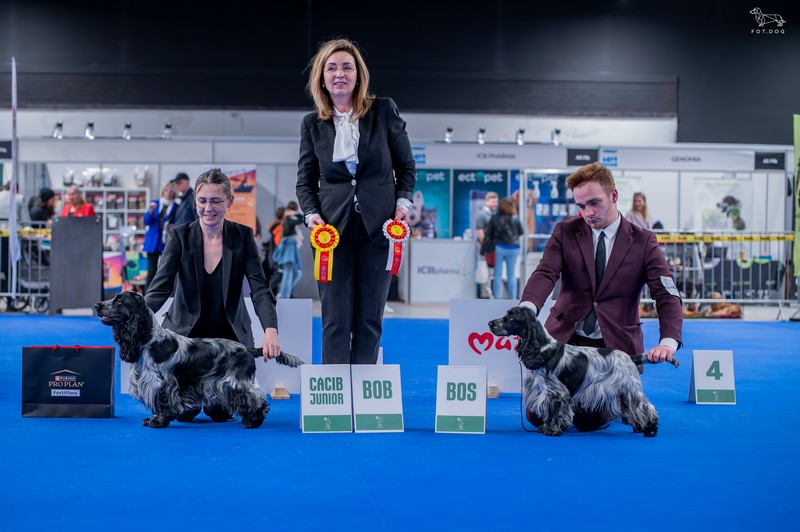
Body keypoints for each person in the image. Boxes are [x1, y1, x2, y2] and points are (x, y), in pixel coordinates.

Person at [519, 162, 683, 431]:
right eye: (581, 206)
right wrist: (527, 308)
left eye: (594, 203)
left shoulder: (644, 241)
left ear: (613, 196)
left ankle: (605, 406)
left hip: (612, 350)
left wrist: (668, 342)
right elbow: (545, 273)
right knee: (538, 416)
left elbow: (666, 294)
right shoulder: (564, 232)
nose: (588, 213)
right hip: (565, 344)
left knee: (587, 420)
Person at [295, 37, 416, 364]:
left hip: (380, 229)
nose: (340, 74)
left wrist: (403, 205)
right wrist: (311, 215)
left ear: (358, 74)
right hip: (331, 233)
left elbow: (406, 166)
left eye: (347, 67)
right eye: (331, 68)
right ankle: (335, 387)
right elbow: (305, 181)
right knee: (335, 319)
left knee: (369, 318)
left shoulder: (384, 110)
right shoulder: (311, 124)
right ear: (321, 77)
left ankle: (363, 388)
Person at [145, 168, 282, 422]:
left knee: (220, 413)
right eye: (202, 201)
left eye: (216, 201)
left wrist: (270, 330)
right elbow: (160, 286)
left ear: (230, 202)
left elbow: (260, 289)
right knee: (183, 414)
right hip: (185, 342)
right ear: (195, 201)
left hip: (227, 344)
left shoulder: (242, 236)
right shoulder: (179, 235)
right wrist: (139, 316)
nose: (208, 208)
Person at [484, 196, 524, 300]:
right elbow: (521, 232)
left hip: (499, 248)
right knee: (511, 275)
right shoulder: (515, 218)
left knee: (497, 274)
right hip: (513, 248)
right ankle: (512, 299)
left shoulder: (495, 218)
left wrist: (483, 250)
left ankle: (496, 298)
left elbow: (488, 235)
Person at [142, 182, 176, 291]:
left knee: (165, 270)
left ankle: (163, 293)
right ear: (163, 192)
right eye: (166, 190)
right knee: (151, 270)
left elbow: (177, 221)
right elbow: (146, 221)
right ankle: (148, 294)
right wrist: (150, 212)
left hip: (166, 242)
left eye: (171, 191)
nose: (169, 193)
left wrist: (174, 225)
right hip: (152, 242)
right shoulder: (154, 204)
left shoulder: (176, 206)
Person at [272, 200, 304, 299]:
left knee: (296, 273)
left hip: (292, 247)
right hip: (288, 249)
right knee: (288, 274)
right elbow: (301, 219)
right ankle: (284, 295)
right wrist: (293, 213)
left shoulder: (289, 220)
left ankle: (286, 293)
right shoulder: (289, 221)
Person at [475, 191, 499, 298]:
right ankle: (485, 295)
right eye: (493, 202)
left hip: (491, 248)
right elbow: (480, 233)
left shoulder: (492, 215)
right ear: (487, 201)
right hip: (485, 248)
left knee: (490, 272)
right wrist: (485, 248)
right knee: (484, 271)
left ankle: (488, 294)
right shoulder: (482, 215)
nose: (495, 204)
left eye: (497, 202)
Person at [262, 205, 286, 296]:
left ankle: (270, 294)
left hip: (271, 256)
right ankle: (269, 294)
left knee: (274, 277)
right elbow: (278, 243)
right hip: (277, 257)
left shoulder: (275, 226)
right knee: (278, 276)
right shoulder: (280, 227)